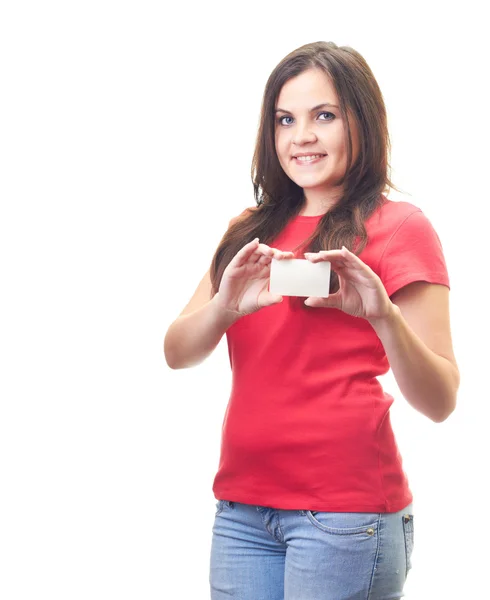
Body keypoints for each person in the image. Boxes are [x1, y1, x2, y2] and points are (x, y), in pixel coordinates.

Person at [164, 41, 460, 600]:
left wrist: (384, 318)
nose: (301, 135)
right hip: (242, 513)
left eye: (324, 116)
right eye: (285, 119)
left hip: (344, 518)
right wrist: (225, 305)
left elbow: (441, 399)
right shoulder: (247, 228)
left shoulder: (400, 227)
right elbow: (177, 351)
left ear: (362, 123)